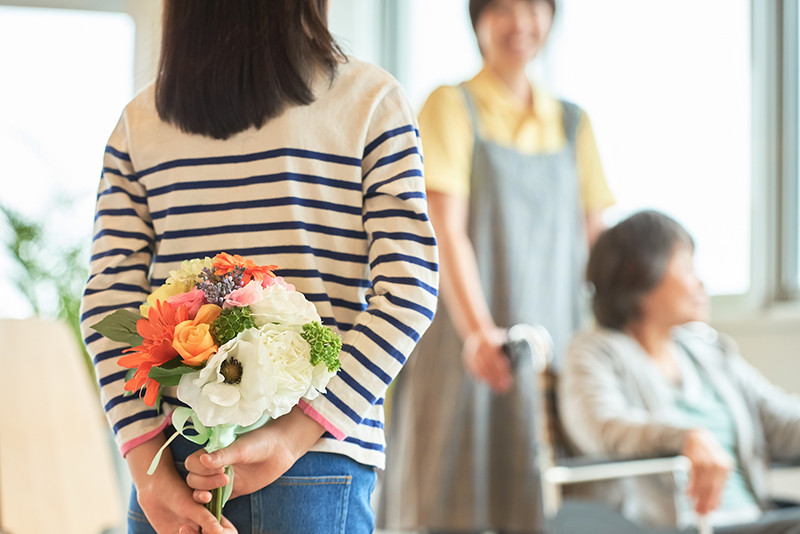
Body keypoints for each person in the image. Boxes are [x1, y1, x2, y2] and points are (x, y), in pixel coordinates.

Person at [79, 1, 439, 533]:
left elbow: (109, 308)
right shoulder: (371, 102)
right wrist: (292, 436)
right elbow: (409, 291)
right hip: (318, 457)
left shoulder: (141, 122)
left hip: (176, 465)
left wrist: (147, 472)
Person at [377, 0, 614, 532]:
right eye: (502, 9)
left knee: (546, 499)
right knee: (451, 497)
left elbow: (596, 243)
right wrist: (479, 331)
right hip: (465, 340)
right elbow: (444, 229)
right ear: (477, 20)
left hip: (553, 344)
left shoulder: (574, 123)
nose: (521, 23)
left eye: (534, 7)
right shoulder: (449, 105)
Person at [559, 210, 800, 533]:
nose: (701, 282)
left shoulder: (708, 352)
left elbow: (781, 421)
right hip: (676, 525)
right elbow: (601, 427)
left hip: (754, 519)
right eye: (686, 267)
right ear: (642, 275)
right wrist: (685, 436)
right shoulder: (594, 350)